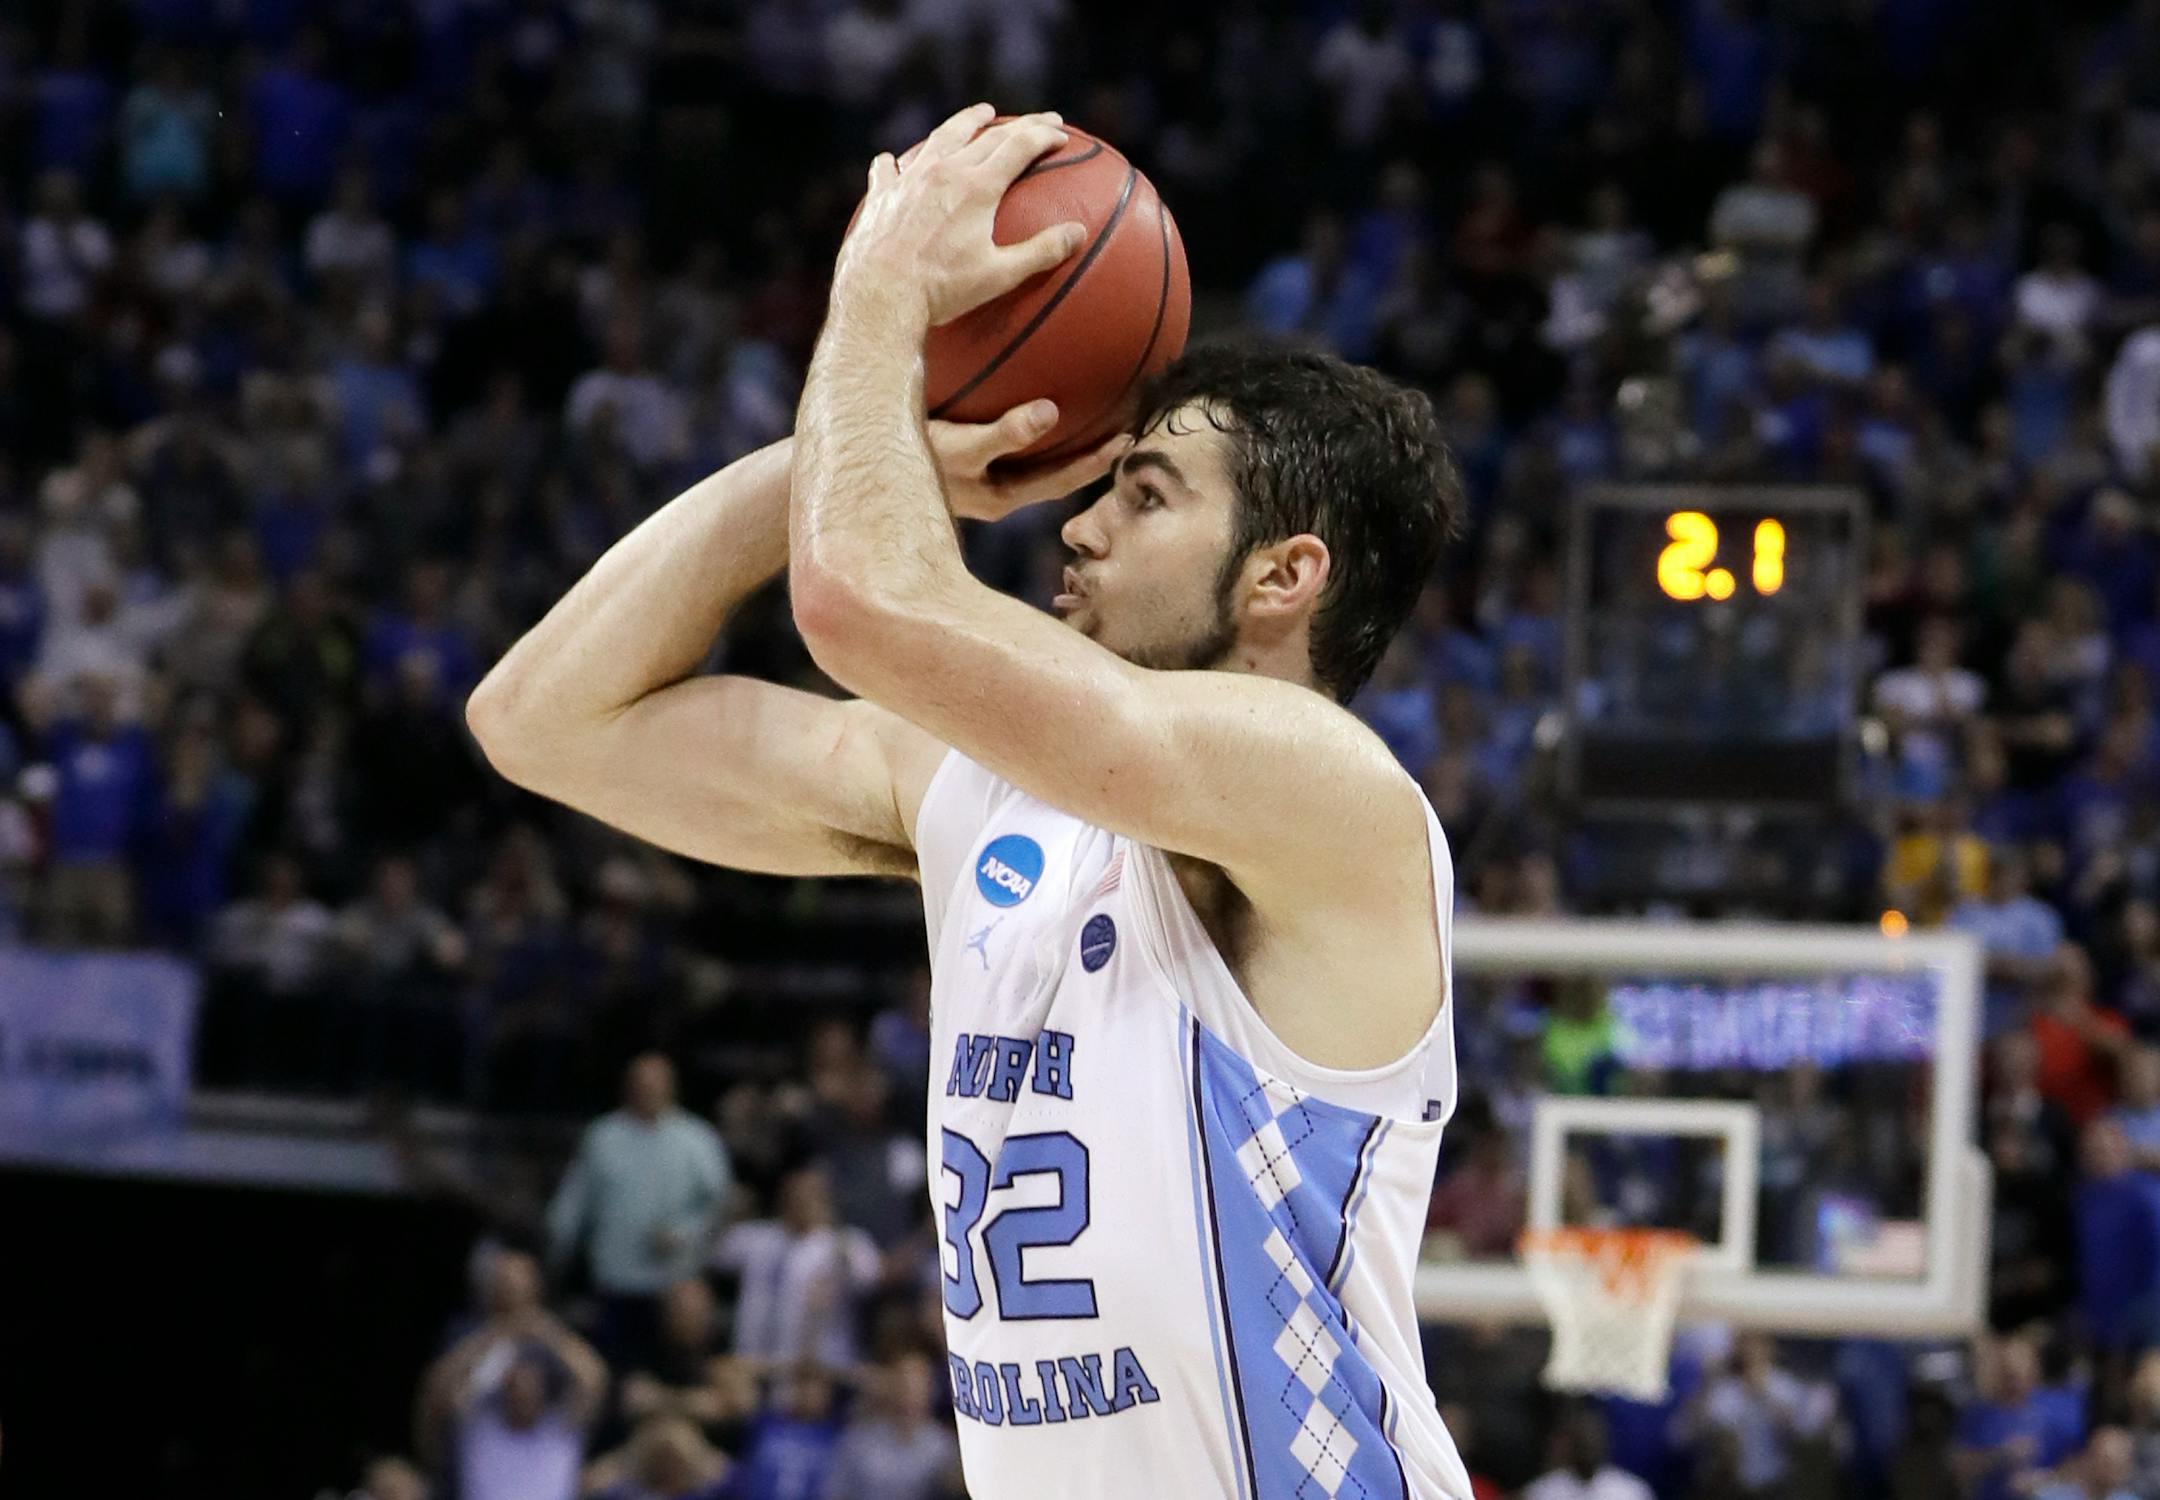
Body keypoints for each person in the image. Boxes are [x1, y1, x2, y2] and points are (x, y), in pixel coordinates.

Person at [471, 106, 1470, 1499]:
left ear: (1282, 578)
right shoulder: (974, 795)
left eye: (1147, 494)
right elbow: (542, 719)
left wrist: (879, 306)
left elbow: (859, 605)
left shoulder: (1329, 795)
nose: (1078, 522)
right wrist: (835, 465)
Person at [546, 1054, 732, 1369]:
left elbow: (722, 1210)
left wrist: (686, 1234)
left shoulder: (698, 1139)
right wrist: (555, 1254)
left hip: (676, 1286)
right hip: (617, 1282)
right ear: (627, 1088)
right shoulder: (603, 1137)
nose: (649, 1092)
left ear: (672, 1088)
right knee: (617, 1372)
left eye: (656, 1085)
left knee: (674, 1370)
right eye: (641, 1085)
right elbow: (571, 1207)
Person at [819, 1352, 962, 1500]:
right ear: (889, 1389)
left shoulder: (943, 1448)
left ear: (929, 1393)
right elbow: (834, 1492)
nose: (909, 1396)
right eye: (903, 1386)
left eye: (917, 1388)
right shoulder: (858, 1442)